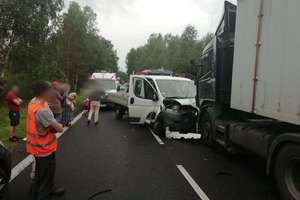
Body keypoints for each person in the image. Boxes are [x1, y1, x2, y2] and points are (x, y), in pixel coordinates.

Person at [26, 81, 65, 200]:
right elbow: (59, 128)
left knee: (40, 175)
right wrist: (59, 125)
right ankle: (44, 195)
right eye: (50, 90)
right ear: (44, 93)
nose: (52, 93)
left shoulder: (33, 102)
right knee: (45, 180)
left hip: (36, 147)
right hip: (44, 150)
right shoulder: (43, 111)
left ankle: (41, 192)